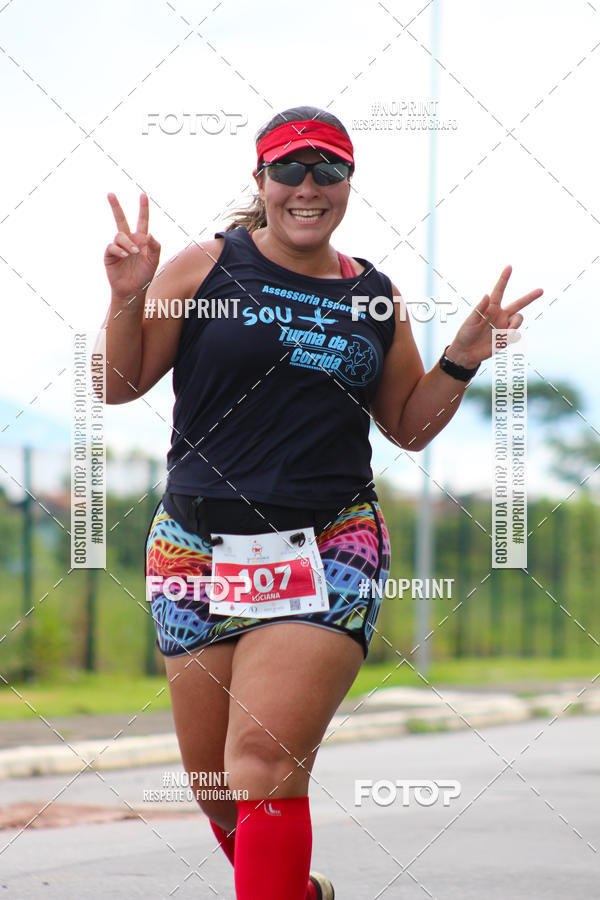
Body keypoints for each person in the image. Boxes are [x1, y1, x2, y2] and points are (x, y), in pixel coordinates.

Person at [101, 105, 542, 899]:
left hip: (327, 545)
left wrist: (461, 360)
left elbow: (409, 427)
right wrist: (129, 296)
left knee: (263, 764)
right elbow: (118, 384)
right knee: (218, 787)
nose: (308, 187)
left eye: (327, 171)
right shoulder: (203, 269)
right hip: (194, 549)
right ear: (261, 181)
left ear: (348, 184)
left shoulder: (374, 296)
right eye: (290, 170)